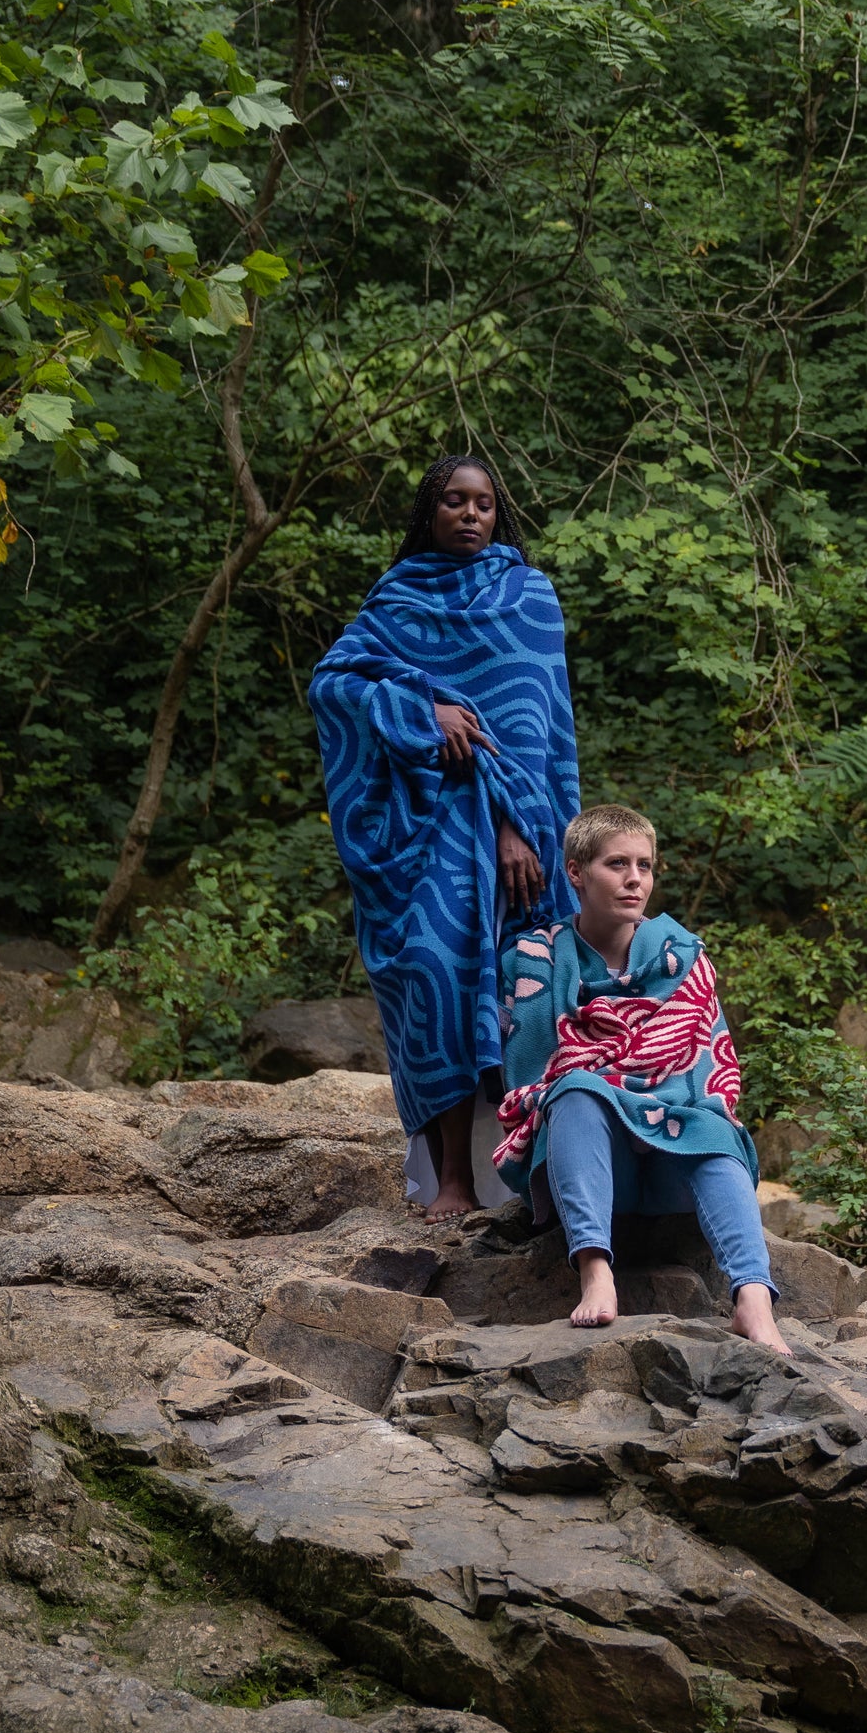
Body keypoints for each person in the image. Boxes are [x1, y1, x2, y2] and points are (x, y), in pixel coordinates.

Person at [308, 456, 579, 1222]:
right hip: (423, 832)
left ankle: (538, 1182)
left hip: (515, 840)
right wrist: (420, 707)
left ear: (500, 514)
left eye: (485, 503)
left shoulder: (528, 598)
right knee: (430, 973)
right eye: (454, 501)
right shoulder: (396, 600)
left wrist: (516, 829)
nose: (470, 514)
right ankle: (451, 1181)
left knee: (515, 991)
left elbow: (536, 735)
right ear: (429, 511)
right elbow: (333, 683)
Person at [493, 803, 790, 1355]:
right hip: (590, 1164)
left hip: (674, 1162)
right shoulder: (532, 959)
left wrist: (656, 1108)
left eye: (645, 866)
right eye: (617, 864)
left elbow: (711, 1076)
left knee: (716, 1128)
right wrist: (605, 1091)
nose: (635, 879)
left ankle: (752, 1298)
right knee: (575, 1090)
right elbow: (528, 1081)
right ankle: (595, 1270)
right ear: (576, 872)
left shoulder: (683, 959)